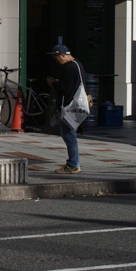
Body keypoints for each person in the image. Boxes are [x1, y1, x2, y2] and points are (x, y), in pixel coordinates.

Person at [47, 44, 87, 174]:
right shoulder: (77, 64)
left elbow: (65, 89)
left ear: (62, 55)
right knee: (69, 134)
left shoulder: (68, 68)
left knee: (69, 135)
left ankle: (73, 164)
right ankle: (72, 162)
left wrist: (54, 84)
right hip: (75, 106)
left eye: (56, 58)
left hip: (69, 107)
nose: (56, 61)